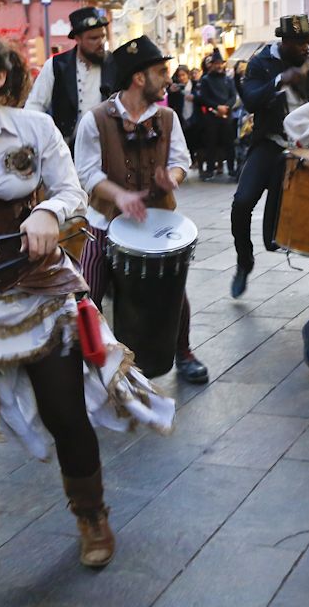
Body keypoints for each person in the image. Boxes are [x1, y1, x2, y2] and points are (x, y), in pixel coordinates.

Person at [0, 24, 172, 591]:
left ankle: (91, 512)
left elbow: (71, 193)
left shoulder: (35, 128)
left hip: (37, 289)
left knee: (67, 413)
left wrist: (48, 215)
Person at [74, 36, 209, 385]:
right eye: (161, 71)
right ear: (138, 78)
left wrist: (172, 178)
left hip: (156, 223)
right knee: (86, 293)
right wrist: (119, 196)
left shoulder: (167, 117)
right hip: (105, 222)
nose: (168, 77)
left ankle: (183, 351)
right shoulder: (96, 120)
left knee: (174, 292)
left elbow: (181, 160)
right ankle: (92, 362)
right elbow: (87, 173)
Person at [228, 15, 309, 298]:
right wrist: (278, 81)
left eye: (307, 41)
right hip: (270, 142)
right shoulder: (261, 63)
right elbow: (250, 100)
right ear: (284, 43)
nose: (306, 47)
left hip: (304, 147)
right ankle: (244, 261)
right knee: (242, 202)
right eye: (299, 43)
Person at [24, 7, 117, 148]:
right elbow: (35, 105)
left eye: (102, 36)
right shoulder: (56, 65)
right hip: (64, 148)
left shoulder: (115, 64)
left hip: (105, 147)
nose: (101, 42)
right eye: (93, 38)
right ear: (78, 39)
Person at [195, 50, 238, 181]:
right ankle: (209, 170)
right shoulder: (206, 80)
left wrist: (226, 107)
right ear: (211, 65)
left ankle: (231, 169)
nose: (219, 66)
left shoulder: (228, 79)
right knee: (211, 144)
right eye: (216, 64)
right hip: (211, 116)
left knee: (229, 144)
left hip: (226, 115)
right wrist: (216, 107)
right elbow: (203, 97)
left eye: (221, 63)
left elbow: (233, 96)